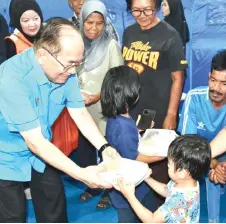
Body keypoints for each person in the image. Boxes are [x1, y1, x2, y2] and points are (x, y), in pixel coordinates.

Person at [0, 17, 119, 223]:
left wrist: (105, 147)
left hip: (42, 150)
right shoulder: (12, 78)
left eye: (77, 64)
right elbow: (34, 142)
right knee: (13, 215)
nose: (73, 71)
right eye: (70, 64)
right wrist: (81, 174)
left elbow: (79, 113)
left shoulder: (64, 70)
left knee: (53, 205)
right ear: (41, 56)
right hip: (5, 156)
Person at [123, 0, 187, 207]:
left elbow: (178, 78)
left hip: (158, 110)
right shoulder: (129, 33)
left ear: (158, 7)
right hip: (132, 109)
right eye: (136, 10)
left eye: (148, 9)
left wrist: (171, 114)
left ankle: (161, 211)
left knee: (158, 163)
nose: (142, 15)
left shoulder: (170, 35)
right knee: (134, 157)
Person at [76, 0, 124, 210]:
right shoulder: (74, 42)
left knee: (106, 148)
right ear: (81, 20)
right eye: (89, 22)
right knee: (85, 150)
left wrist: (98, 96)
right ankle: (92, 183)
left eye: (99, 23)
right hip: (79, 108)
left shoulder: (111, 45)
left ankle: (108, 188)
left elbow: (117, 79)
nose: (94, 28)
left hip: (103, 107)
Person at [101, 65, 164, 222]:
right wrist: (160, 156)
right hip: (130, 187)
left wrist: (138, 130)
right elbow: (133, 158)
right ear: (133, 94)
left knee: (147, 208)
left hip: (136, 184)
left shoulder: (117, 118)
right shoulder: (123, 128)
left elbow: (123, 144)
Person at [116, 135, 211, 223]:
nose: (167, 165)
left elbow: (151, 220)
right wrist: (147, 178)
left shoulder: (178, 201)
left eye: (169, 164)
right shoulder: (189, 182)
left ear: (182, 173)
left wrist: (130, 196)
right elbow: (167, 190)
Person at [178, 49, 226, 222]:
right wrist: (214, 165)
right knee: (182, 165)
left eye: (224, 83)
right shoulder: (195, 98)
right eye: (213, 80)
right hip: (201, 157)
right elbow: (187, 147)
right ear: (208, 76)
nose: (216, 88)